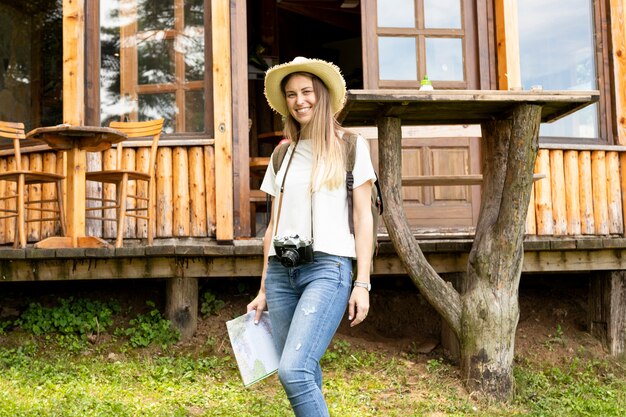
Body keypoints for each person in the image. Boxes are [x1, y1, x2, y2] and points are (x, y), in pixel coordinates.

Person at [246, 56, 376, 416]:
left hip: (328, 269)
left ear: (322, 95)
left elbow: (363, 217)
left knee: (294, 370)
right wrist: (262, 290)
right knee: (304, 370)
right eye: (291, 94)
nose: (299, 100)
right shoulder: (282, 154)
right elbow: (272, 226)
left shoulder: (350, 146)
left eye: (306, 91)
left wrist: (362, 283)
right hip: (280, 272)